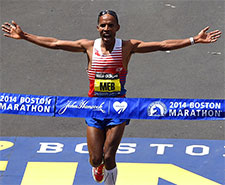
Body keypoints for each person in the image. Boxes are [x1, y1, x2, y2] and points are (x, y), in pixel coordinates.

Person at [1, 10, 221, 185]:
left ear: (117, 27)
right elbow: (56, 43)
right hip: (93, 108)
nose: (106, 28)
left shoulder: (127, 47)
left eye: (110, 25)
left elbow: (162, 45)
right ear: (98, 27)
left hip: (118, 108)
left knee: (109, 156)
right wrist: (25, 36)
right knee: (96, 159)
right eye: (103, 25)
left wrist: (194, 39)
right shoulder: (88, 47)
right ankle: (97, 167)